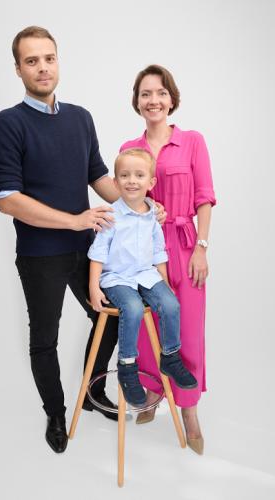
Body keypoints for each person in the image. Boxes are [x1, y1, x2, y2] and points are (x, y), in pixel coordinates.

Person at [0, 25, 123, 455]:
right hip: (40, 255)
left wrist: (140, 202)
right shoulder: (8, 123)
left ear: (57, 61)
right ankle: (56, 413)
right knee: (45, 338)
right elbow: (7, 200)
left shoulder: (80, 117)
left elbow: (98, 176)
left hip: (87, 250)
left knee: (111, 317)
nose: (42, 68)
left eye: (48, 58)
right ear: (18, 69)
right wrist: (74, 220)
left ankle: (92, 391)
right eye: (32, 61)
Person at [120, 65, 216, 454]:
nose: (153, 100)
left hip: (182, 244)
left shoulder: (192, 141)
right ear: (137, 102)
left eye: (160, 93)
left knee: (187, 327)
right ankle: (151, 392)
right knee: (145, 325)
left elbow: (205, 197)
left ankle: (189, 409)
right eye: (145, 94)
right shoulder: (129, 148)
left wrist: (201, 247)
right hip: (140, 248)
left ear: (171, 98)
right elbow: (127, 197)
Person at [88, 148, 197, 407]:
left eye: (139, 175)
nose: (132, 181)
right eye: (124, 175)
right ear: (115, 183)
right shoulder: (111, 215)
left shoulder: (152, 214)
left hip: (146, 274)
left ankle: (170, 356)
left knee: (170, 304)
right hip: (117, 278)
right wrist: (94, 286)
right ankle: (127, 365)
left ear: (151, 182)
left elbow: (159, 251)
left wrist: (165, 281)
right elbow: (98, 253)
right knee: (133, 308)